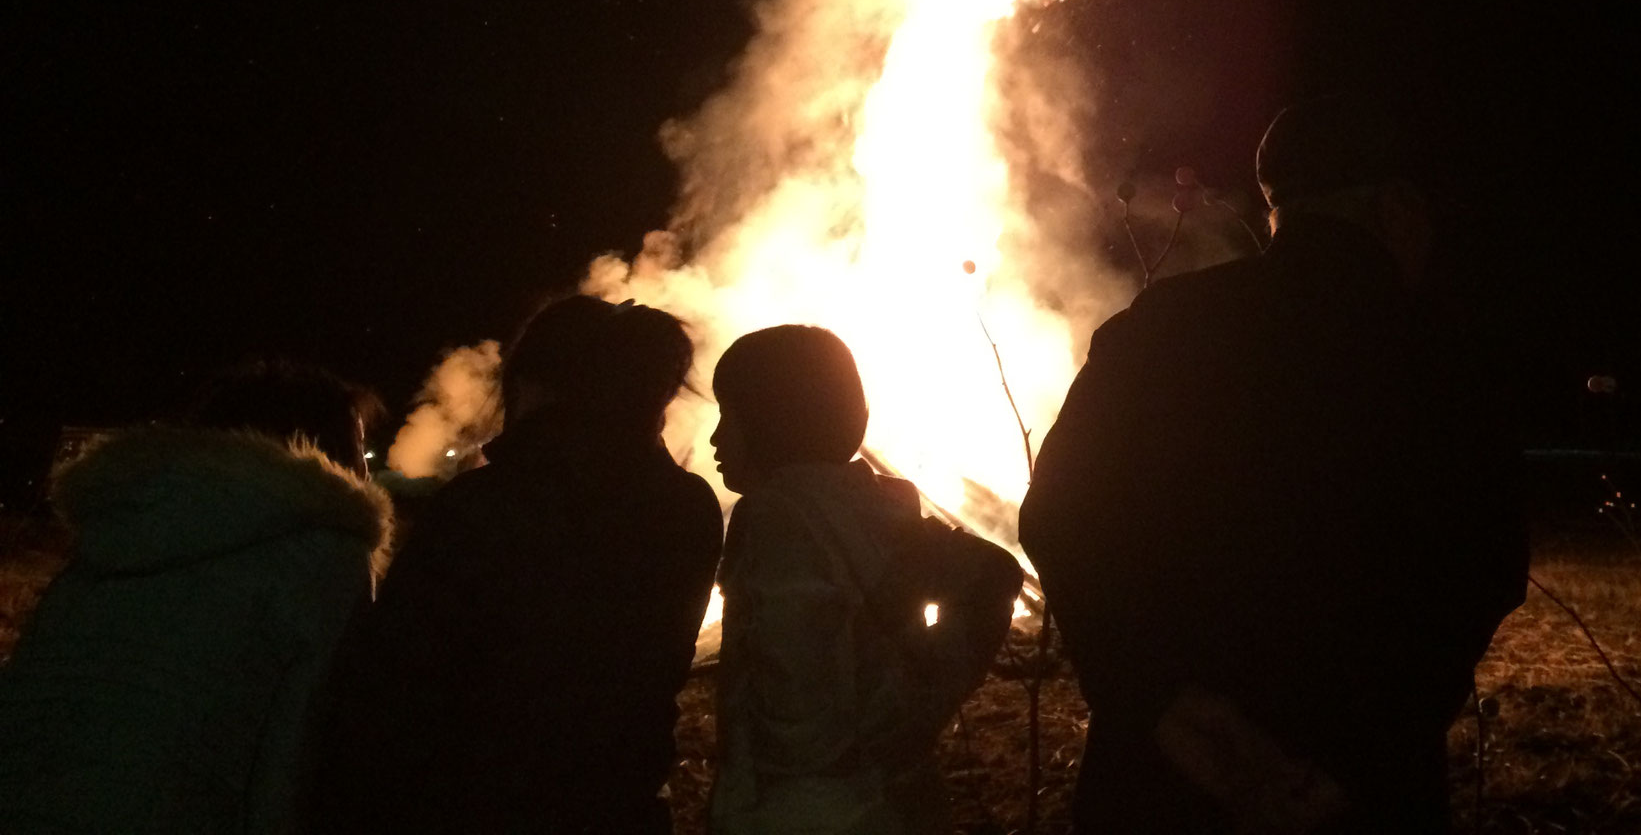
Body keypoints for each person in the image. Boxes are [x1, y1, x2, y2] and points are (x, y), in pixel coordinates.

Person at [1020, 97, 1527, 834]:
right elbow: (1485, 562)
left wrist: (1161, 702)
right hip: (1357, 787)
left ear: (1274, 210)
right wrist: (1362, 742)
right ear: (1398, 206)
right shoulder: (1442, 359)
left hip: (1166, 784)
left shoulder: (1159, 330)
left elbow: (1061, 515)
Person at [309, 296, 723, 835]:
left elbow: (396, 684)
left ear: (535, 383)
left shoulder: (489, 505)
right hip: (617, 806)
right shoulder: (687, 507)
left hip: (471, 809)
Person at [0, 359, 392, 835]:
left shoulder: (118, 526)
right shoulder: (324, 557)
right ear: (323, 451)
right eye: (356, 445)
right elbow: (293, 767)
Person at [708, 324, 1022, 835]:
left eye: (729, 415)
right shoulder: (881, 514)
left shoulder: (776, 519)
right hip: (897, 800)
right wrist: (921, 702)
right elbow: (993, 574)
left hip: (799, 813)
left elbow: (790, 711)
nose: (716, 438)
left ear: (771, 419)